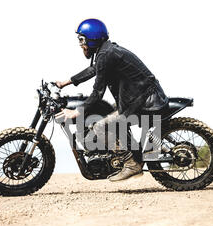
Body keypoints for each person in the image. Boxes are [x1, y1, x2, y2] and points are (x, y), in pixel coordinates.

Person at [55, 18, 168, 181]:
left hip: (144, 100)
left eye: (82, 40)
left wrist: (76, 112)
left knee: (100, 126)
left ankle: (131, 163)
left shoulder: (107, 54)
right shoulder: (105, 52)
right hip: (138, 97)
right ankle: (133, 151)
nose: (81, 44)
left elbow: (97, 92)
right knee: (110, 116)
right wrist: (66, 82)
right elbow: (94, 69)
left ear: (92, 39)